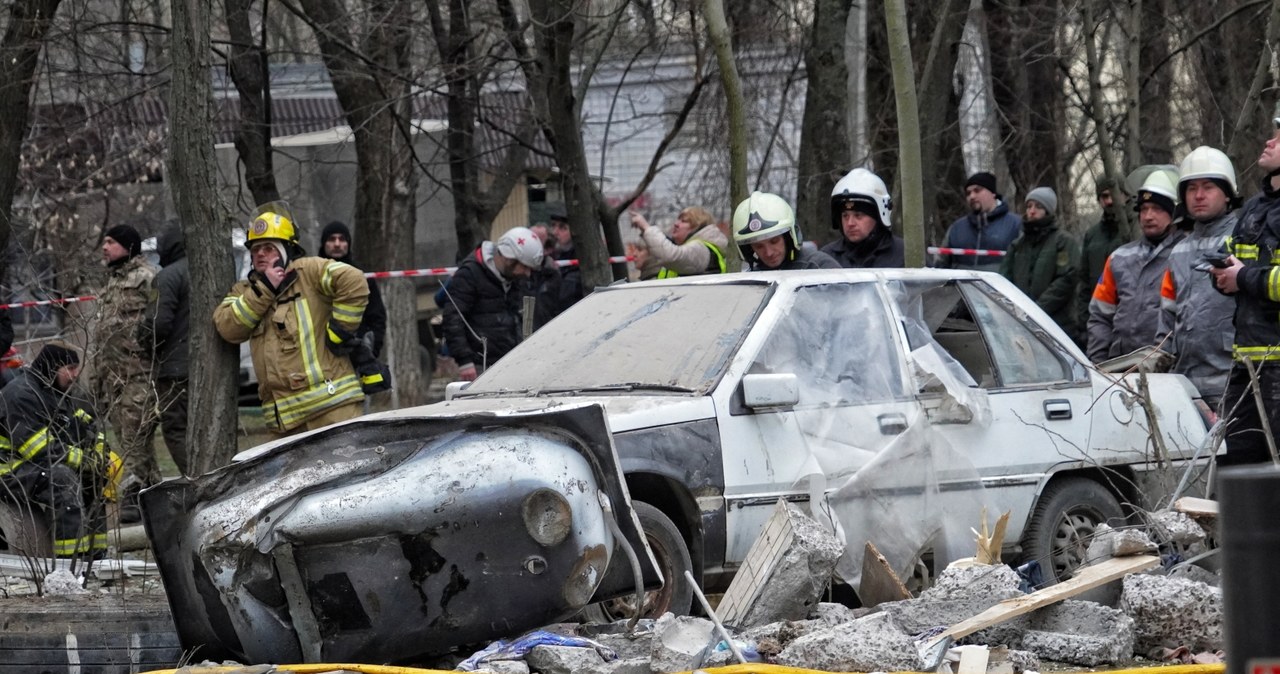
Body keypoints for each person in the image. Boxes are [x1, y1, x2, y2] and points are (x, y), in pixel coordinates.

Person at [214, 205, 370, 435]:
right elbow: (228, 327)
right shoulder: (244, 291)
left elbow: (354, 281)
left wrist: (340, 331)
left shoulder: (308, 271)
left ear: (286, 250)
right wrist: (265, 289)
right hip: (285, 423)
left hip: (332, 411)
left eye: (268, 248)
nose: (259, 254)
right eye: (255, 249)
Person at [0, 342, 114, 561]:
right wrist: (88, 460)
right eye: (69, 368)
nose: (74, 375)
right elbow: (39, 449)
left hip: (29, 465)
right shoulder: (21, 394)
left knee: (93, 477)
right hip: (8, 468)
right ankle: (68, 564)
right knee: (62, 479)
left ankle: (96, 558)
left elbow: (86, 427)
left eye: (76, 368)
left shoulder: (57, 392)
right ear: (52, 367)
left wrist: (100, 451)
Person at [1210, 118, 1280, 465]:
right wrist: (1222, 276)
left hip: (1278, 362)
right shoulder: (1253, 209)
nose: (1269, 141)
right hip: (1247, 363)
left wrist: (1244, 277)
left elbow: (1249, 275)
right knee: (1238, 468)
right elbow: (1233, 260)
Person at [1157, 146, 1241, 408]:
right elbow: (1168, 315)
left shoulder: (1244, 239)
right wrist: (1160, 360)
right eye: (1191, 189)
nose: (1199, 195)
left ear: (1227, 194)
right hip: (1185, 383)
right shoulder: (1179, 250)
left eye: (1208, 187)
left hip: (1233, 378)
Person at [90, 224, 159, 523]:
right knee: (127, 439)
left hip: (139, 375)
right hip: (113, 378)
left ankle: (141, 499)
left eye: (111, 242)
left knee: (135, 440)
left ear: (128, 245)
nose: (104, 247)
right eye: (103, 241)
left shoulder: (147, 278)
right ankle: (151, 496)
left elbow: (159, 322)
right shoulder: (110, 286)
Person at [1087, 169, 1185, 363]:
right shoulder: (1119, 258)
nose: (1148, 216)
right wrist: (1097, 364)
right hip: (1120, 366)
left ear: (1173, 213)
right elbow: (1099, 316)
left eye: (1157, 209)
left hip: (1170, 370)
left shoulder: (1184, 255)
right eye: (1144, 209)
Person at [440, 227, 545, 380]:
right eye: (524, 266)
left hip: (512, 361)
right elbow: (453, 318)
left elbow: (527, 316)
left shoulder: (515, 279)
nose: (527, 273)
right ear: (509, 258)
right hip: (479, 365)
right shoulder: (470, 274)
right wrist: (465, 361)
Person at [141, 225, 192, 477]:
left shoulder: (166, 277)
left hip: (173, 369)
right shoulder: (204, 272)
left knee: (175, 429)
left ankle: (198, 481)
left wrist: (145, 343)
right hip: (202, 368)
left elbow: (157, 324)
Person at [999, 187, 1079, 334]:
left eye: (1038, 206)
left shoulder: (1062, 242)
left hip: (1057, 325)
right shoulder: (1018, 245)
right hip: (1021, 323)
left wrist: (1037, 309)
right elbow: (1004, 279)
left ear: (1048, 211)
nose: (1032, 211)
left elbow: (1066, 278)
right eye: (1029, 206)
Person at [319, 221, 387, 357]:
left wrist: (371, 351)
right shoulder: (312, 275)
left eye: (342, 239)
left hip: (355, 351)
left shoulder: (362, 276)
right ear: (324, 243)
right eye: (332, 239)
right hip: (320, 351)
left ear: (348, 243)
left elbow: (377, 317)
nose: (337, 244)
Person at [733, 191, 840, 271]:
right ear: (748, 250)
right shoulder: (753, 279)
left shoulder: (819, 267)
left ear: (789, 237)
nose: (769, 253)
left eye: (774, 241)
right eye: (759, 246)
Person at [937, 171, 1022, 271]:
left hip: (999, 286)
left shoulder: (1016, 224)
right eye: (968, 193)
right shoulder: (956, 228)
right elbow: (941, 265)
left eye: (977, 190)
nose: (972, 196)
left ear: (993, 193)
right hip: (962, 286)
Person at [821, 168, 905, 268]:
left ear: (878, 216)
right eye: (845, 216)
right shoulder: (826, 258)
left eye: (858, 215)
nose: (850, 223)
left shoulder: (905, 255)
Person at [1077, 177, 1129, 335]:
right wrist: (1084, 322)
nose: (1109, 200)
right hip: (1098, 320)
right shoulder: (1092, 235)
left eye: (1114, 194)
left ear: (1125, 195)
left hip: (1126, 318)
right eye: (1104, 196)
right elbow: (1084, 282)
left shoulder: (1132, 231)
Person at [628, 206, 728, 278]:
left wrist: (646, 227)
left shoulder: (701, 250)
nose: (676, 224)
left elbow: (670, 256)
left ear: (697, 227)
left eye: (684, 221)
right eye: (678, 220)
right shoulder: (697, 249)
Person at [546, 205, 584, 311]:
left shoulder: (580, 263)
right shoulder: (549, 256)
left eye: (563, 228)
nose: (555, 232)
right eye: (553, 226)